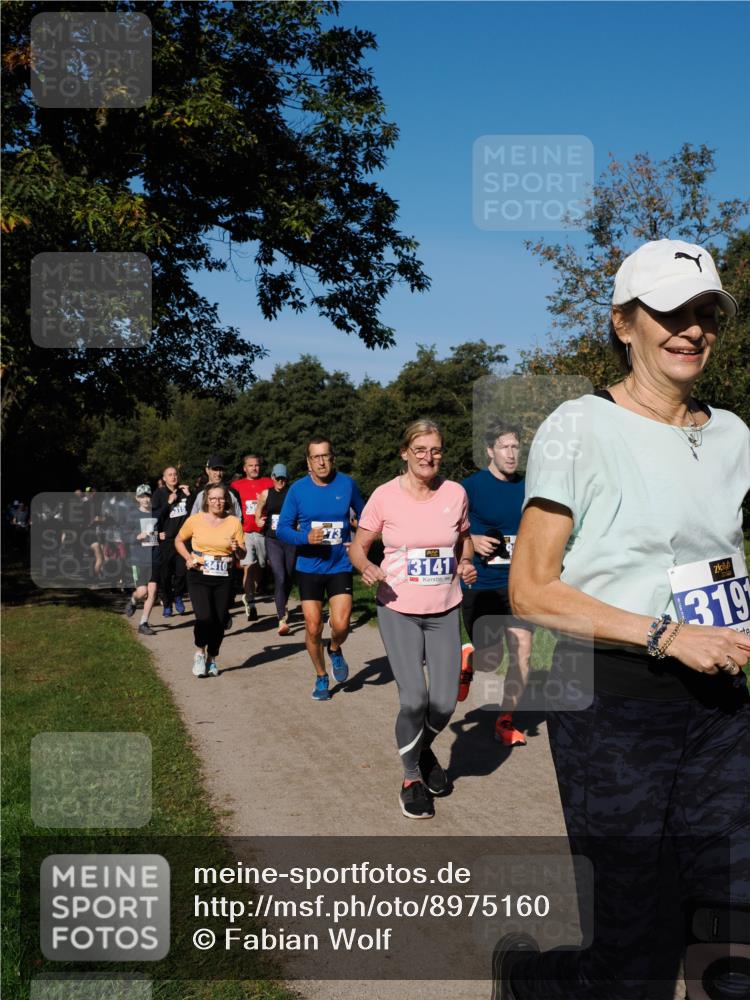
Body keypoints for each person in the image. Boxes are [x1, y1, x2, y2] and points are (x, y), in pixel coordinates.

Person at [491, 239, 750, 1000]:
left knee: (731, 926)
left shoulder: (735, 434)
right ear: (623, 322)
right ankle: (534, 981)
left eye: (706, 313)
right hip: (613, 708)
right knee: (636, 959)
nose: (692, 329)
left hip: (723, 710)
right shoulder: (581, 425)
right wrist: (668, 635)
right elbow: (532, 591)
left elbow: (715, 555)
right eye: (670, 311)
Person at [349, 419, 477, 819]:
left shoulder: (455, 493)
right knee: (414, 698)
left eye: (435, 449)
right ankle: (410, 778)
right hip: (398, 608)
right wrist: (366, 568)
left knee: (442, 702)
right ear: (405, 452)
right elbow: (359, 547)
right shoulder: (385, 496)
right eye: (420, 449)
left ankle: (422, 752)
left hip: (444, 607)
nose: (428, 457)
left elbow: (463, 538)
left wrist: (468, 562)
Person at [460, 421, 534, 747]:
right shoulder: (469, 488)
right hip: (482, 584)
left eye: (516, 447)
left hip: (518, 585)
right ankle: (469, 660)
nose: (511, 453)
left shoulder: (530, 486)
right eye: (504, 447)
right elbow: (446, 529)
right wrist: (471, 541)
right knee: (491, 658)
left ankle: (505, 721)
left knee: (523, 655)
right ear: (489, 450)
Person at [276, 436, 365, 700]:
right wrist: (305, 538)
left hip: (339, 564)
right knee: (313, 627)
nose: (322, 461)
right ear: (308, 462)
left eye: (326, 455)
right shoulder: (297, 490)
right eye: (316, 457)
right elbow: (282, 529)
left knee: (341, 624)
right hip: (309, 567)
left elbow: (366, 517)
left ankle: (335, 648)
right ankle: (321, 676)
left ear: (332, 458)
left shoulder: (347, 484)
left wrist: (359, 540)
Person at [175, 482, 245, 678]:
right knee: (205, 617)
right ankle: (199, 652)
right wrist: (189, 558)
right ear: (206, 500)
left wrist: (237, 549)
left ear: (227, 500)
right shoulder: (195, 520)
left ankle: (212, 658)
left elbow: (242, 552)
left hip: (224, 577)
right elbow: (178, 541)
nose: (217, 502)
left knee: (220, 620)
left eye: (221, 498)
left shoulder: (233, 522)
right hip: (199, 574)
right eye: (213, 498)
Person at [231, 454, 274, 621]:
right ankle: (251, 602)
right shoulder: (236, 485)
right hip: (245, 532)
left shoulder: (268, 483)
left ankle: (252, 592)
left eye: (256, 465)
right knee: (248, 566)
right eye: (250, 466)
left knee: (261, 567)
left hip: (263, 532)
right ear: (244, 468)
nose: (254, 468)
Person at [255, 463, 296, 635]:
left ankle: (283, 602)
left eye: (283, 478)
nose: (280, 481)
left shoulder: (292, 494)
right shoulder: (266, 494)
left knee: (289, 575)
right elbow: (258, 513)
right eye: (277, 478)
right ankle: (281, 619)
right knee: (279, 575)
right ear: (272, 477)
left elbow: (300, 512)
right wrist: (258, 521)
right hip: (272, 539)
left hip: (290, 539)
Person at [152, 466, 192, 616]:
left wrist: (189, 495)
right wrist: (168, 503)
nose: (173, 477)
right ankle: (167, 603)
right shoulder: (159, 494)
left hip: (183, 540)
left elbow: (194, 512)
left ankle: (179, 596)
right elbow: (154, 516)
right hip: (166, 542)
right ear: (164, 478)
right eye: (170, 475)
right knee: (166, 575)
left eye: (175, 474)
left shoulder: (184, 492)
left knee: (183, 572)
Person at [124, 484, 160, 635]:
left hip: (153, 558)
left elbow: (159, 532)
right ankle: (133, 599)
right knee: (142, 592)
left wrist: (161, 535)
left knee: (152, 591)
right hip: (138, 559)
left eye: (148, 496)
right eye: (143, 496)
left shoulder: (155, 514)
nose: (146, 499)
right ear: (137, 498)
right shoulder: (132, 515)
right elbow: (125, 536)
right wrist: (137, 536)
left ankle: (143, 622)